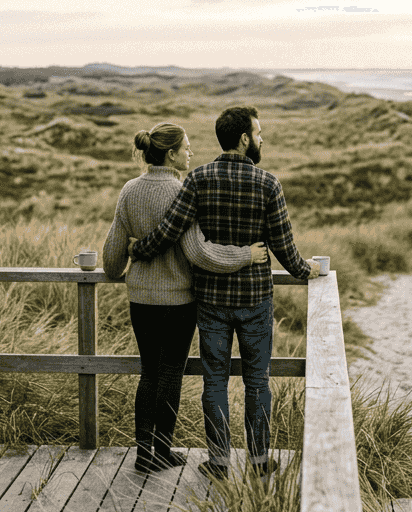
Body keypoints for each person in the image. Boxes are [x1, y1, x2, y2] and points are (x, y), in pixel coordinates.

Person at [130, 106, 320, 479]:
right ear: (244, 139)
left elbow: (170, 230)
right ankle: (259, 461)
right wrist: (307, 270)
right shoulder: (268, 183)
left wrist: (138, 250)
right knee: (257, 382)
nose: (262, 139)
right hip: (255, 301)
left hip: (212, 302)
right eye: (259, 133)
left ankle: (218, 461)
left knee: (214, 382)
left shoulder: (198, 179)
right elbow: (284, 246)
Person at [103, 123, 269, 474]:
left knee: (148, 372)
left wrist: (121, 267)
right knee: (171, 374)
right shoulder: (181, 189)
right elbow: (199, 253)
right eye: (187, 148)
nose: (191, 153)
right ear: (171, 154)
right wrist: (245, 256)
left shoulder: (129, 189)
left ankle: (144, 452)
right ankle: (163, 449)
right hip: (178, 301)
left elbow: (113, 253)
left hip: (140, 299)